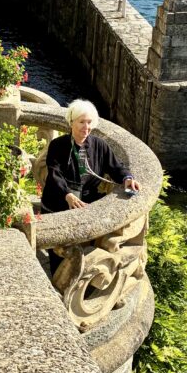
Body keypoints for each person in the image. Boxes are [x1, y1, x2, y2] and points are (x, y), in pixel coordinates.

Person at [41, 100, 140, 274]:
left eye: (89, 122)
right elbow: (55, 175)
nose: (86, 127)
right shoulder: (58, 145)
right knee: (58, 247)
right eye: (81, 122)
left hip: (84, 201)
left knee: (83, 244)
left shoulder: (99, 145)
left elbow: (116, 167)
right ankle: (57, 277)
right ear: (71, 122)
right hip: (58, 202)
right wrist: (67, 195)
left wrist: (127, 178)